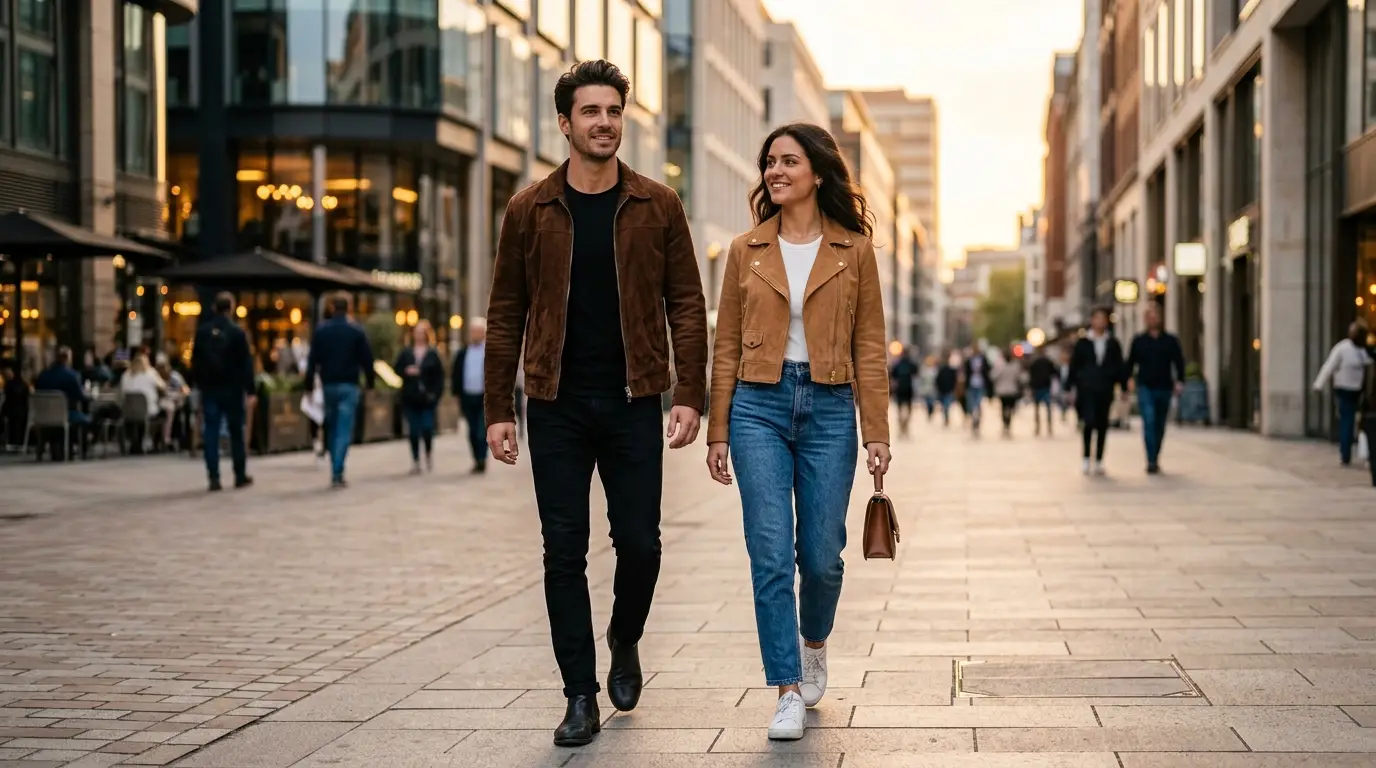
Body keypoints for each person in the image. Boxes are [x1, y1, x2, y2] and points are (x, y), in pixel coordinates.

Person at [482, 60, 708, 748]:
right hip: (555, 403)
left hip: (634, 399)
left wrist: (688, 393)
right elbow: (505, 312)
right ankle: (579, 694)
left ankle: (625, 635)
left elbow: (687, 304)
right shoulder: (529, 210)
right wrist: (498, 408)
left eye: (613, 111)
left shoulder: (658, 205)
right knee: (563, 551)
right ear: (565, 123)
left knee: (640, 543)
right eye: (590, 111)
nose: (604, 122)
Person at [706, 121, 891, 743]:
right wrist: (718, 428)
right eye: (769, 162)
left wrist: (876, 430)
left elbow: (870, 346)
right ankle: (786, 688)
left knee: (821, 557)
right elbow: (726, 345)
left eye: (788, 161)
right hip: (757, 405)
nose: (775, 171)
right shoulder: (746, 249)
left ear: (817, 171)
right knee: (768, 553)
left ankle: (814, 644)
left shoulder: (854, 251)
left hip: (831, 407)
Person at [305, 293, 375, 489]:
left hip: (329, 385)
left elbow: (312, 360)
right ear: (349, 308)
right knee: (343, 429)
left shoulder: (322, 331)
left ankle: (335, 465)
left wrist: (309, 385)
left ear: (332, 308)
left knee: (331, 425)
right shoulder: (356, 331)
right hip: (349, 385)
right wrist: (370, 384)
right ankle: (337, 470)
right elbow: (368, 360)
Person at [191, 293, 255, 491]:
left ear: (214, 308)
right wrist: (250, 389)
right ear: (231, 308)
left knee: (211, 431)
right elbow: (246, 363)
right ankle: (239, 474)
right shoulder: (237, 333)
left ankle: (213, 476)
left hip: (210, 388)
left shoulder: (203, 332)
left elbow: (195, 361)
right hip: (233, 389)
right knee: (236, 432)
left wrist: (198, 384)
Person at [1126, 303, 1187, 474]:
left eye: (1155, 316)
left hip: (1164, 386)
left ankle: (1156, 454)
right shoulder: (1139, 341)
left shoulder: (1170, 341)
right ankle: (1151, 460)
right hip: (1145, 386)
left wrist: (1180, 380)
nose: (1152, 319)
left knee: (1159, 423)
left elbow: (1179, 361)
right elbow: (1130, 362)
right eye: (1149, 316)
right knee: (1149, 421)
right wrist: (1128, 380)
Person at [1066, 307, 1126, 476]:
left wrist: (1123, 385)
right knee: (1088, 422)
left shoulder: (1112, 343)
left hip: (1105, 388)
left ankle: (1099, 459)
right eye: (1097, 318)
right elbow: (1074, 365)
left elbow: (1119, 366)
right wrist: (1069, 386)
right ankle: (1086, 457)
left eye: (1103, 318)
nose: (1100, 321)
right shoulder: (1083, 343)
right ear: (1092, 320)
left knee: (1102, 423)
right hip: (1086, 389)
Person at [1313, 319, 1373, 467]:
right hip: (1344, 389)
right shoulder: (1343, 348)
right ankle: (1345, 453)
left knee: (1350, 420)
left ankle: (1347, 452)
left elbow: (1368, 364)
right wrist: (1319, 384)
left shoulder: (1362, 351)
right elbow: (1329, 366)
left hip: (1356, 390)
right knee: (1348, 419)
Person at [396, 320, 445, 474]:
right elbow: (397, 369)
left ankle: (428, 453)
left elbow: (439, 377)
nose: (418, 335)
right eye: (416, 332)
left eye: (421, 333)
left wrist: (435, 395)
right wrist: (406, 371)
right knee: (413, 430)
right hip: (410, 397)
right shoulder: (406, 352)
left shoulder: (432, 353)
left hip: (427, 399)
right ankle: (416, 459)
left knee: (427, 427)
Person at [33, 346, 91, 459]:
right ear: (68, 358)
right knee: (84, 419)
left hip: (43, 416)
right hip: (65, 415)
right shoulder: (72, 376)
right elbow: (81, 397)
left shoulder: (43, 375)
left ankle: (47, 446)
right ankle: (82, 450)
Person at [450, 319, 489, 473]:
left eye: (478, 331)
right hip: (467, 396)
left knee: (481, 430)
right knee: (472, 430)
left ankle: (482, 458)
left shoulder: (489, 352)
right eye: (473, 331)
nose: (475, 334)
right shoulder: (463, 352)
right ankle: (476, 458)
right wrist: (456, 394)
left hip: (484, 397)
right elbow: (456, 373)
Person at [119, 352, 166, 453]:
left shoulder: (126, 375)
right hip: (148, 409)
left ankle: (135, 443)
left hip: (129, 410)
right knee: (163, 413)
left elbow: (122, 392)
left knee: (136, 418)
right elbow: (163, 386)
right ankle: (156, 443)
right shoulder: (151, 373)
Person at [991, 346, 1023, 437]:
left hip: (1004, 391)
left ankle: (1006, 424)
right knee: (1009, 408)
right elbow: (1019, 378)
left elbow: (993, 376)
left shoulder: (1001, 365)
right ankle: (1007, 424)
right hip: (1011, 390)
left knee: (1004, 408)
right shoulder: (1015, 365)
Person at [1028, 346, 1057, 437]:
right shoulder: (1048, 361)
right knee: (1047, 407)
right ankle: (1049, 426)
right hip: (1045, 386)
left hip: (1037, 386)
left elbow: (1030, 374)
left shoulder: (1034, 362)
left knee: (1037, 408)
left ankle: (1038, 427)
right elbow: (1054, 372)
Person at [961, 346, 990, 435]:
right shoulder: (969, 361)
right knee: (972, 404)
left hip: (980, 384)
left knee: (977, 403)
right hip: (971, 385)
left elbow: (987, 372)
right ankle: (974, 416)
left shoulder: (983, 361)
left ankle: (976, 417)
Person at [889, 348, 918, 436]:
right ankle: (905, 424)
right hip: (908, 389)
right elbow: (916, 374)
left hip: (900, 389)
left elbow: (893, 377)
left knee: (900, 409)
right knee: (909, 409)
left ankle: (902, 425)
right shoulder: (911, 364)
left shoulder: (897, 364)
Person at [935, 352, 958, 427]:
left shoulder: (951, 370)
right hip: (943, 390)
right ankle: (946, 418)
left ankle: (946, 418)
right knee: (944, 406)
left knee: (946, 405)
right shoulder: (941, 370)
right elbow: (937, 380)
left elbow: (955, 380)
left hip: (948, 390)